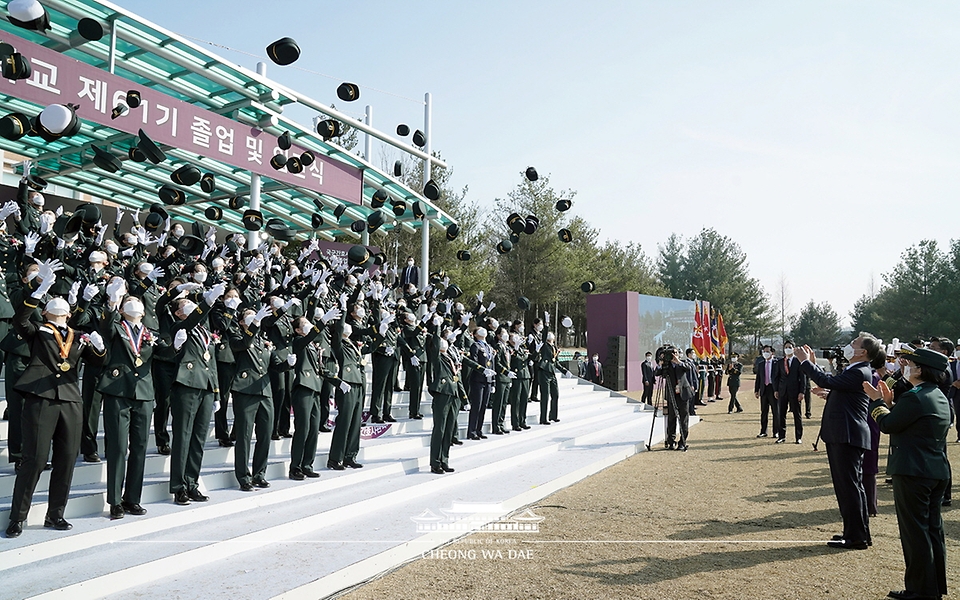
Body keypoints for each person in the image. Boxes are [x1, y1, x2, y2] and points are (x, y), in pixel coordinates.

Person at [5, 261, 107, 538]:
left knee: (66, 460)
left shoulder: (78, 337)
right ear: (48, 311)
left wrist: (99, 348)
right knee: (35, 459)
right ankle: (18, 517)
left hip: (71, 399)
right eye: (55, 301)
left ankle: (55, 514)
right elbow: (20, 321)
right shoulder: (39, 330)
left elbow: (98, 364)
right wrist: (41, 289)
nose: (60, 305)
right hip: (42, 396)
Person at [863, 346, 950, 600]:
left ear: (920, 369)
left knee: (915, 533)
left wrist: (877, 402)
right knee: (933, 531)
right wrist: (889, 404)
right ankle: (933, 587)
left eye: (909, 364)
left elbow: (888, 424)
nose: (905, 367)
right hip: (935, 470)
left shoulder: (915, 396)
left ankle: (919, 590)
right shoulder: (936, 394)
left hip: (913, 471)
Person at [795, 333, 884, 550]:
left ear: (863, 351)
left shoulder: (860, 371)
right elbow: (838, 387)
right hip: (844, 434)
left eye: (854, 343)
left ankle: (856, 536)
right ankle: (856, 533)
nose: (849, 345)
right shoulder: (855, 370)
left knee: (849, 487)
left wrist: (805, 362)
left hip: (847, 435)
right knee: (850, 487)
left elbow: (828, 380)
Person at [97, 295, 158, 520]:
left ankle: (132, 498)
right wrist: (111, 302)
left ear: (143, 311)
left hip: (143, 393)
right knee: (118, 447)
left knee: (140, 447)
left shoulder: (150, 333)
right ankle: (115, 500)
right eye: (128, 302)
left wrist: (177, 346)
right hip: (118, 391)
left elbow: (164, 354)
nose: (133, 304)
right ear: (122, 310)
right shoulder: (116, 327)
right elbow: (105, 327)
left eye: (136, 302)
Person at [654, 347, 691, 451]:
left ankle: (682, 442)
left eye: (675, 353)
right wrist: (660, 363)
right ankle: (671, 441)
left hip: (683, 394)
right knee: (671, 419)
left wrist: (678, 361)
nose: (673, 355)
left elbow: (689, 368)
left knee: (684, 419)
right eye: (671, 353)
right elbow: (657, 373)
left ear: (679, 354)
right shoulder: (667, 366)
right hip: (671, 395)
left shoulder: (683, 363)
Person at [775, 340, 807, 444]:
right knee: (781, 414)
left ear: (793, 348)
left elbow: (803, 378)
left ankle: (798, 437)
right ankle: (781, 436)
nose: (787, 349)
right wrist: (776, 390)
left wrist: (802, 391)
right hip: (782, 391)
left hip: (795, 391)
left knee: (797, 415)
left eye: (790, 347)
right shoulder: (780, 362)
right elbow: (776, 377)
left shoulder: (798, 361)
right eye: (786, 347)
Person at [754, 345, 779, 438]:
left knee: (775, 412)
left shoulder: (777, 363)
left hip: (773, 389)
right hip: (764, 389)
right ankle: (763, 431)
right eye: (764, 351)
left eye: (767, 351)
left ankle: (776, 431)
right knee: (764, 411)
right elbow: (758, 378)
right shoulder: (761, 364)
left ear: (772, 352)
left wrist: (778, 389)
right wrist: (756, 390)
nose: (765, 353)